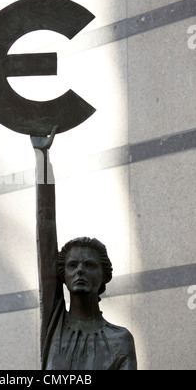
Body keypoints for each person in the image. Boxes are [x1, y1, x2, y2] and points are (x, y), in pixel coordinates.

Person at [31, 127, 137, 370]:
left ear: (104, 276)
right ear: (63, 277)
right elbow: (45, 225)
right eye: (72, 265)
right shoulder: (53, 325)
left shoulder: (120, 340)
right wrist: (42, 159)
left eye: (89, 265)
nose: (80, 270)